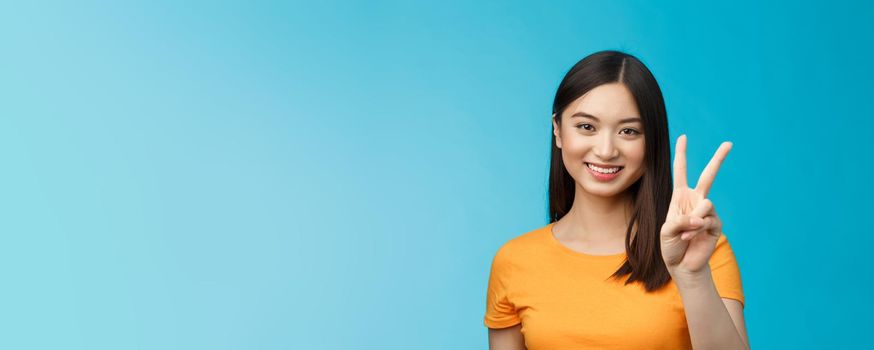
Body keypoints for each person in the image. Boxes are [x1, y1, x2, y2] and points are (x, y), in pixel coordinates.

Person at [484, 50, 749, 349]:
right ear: (557, 130)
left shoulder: (699, 251)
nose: (606, 150)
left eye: (628, 131)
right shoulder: (514, 261)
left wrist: (693, 276)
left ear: (651, 141)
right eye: (587, 127)